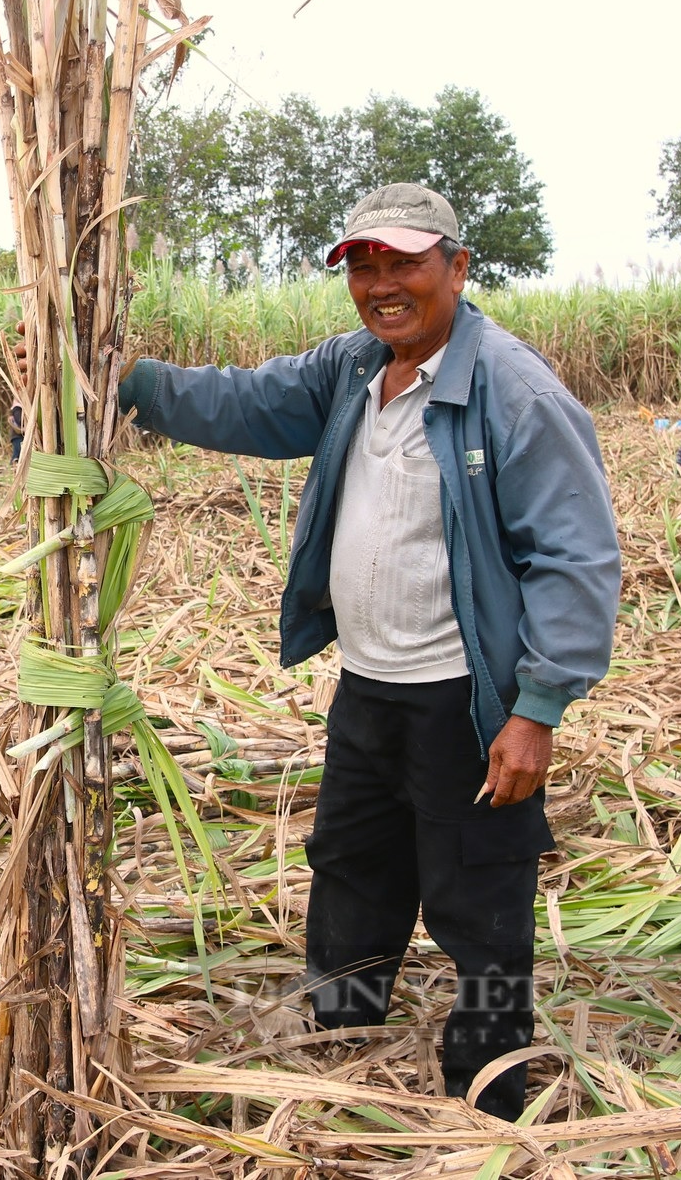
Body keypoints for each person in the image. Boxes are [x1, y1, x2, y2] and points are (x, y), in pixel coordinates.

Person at [115, 183, 620, 1119]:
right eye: (365, 266)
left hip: (468, 701)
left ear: (457, 268)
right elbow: (242, 404)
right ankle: (338, 1050)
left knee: (481, 902)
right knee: (350, 870)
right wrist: (126, 380)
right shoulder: (352, 370)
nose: (384, 285)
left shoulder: (513, 390)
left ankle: (491, 1089)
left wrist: (538, 708)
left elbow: (576, 555)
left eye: (405, 263)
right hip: (369, 686)